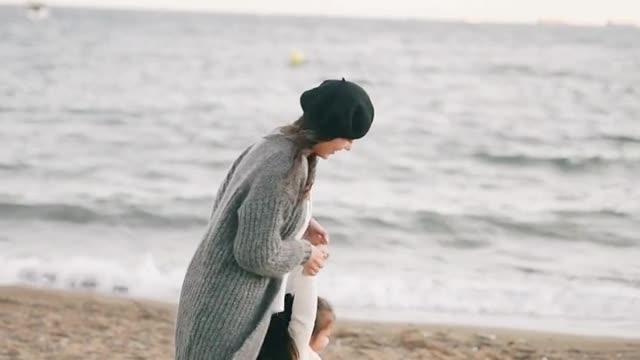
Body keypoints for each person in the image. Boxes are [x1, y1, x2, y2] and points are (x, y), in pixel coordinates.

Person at [174, 78, 374, 359]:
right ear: (331, 127)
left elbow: (244, 206)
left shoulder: (276, 144)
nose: (350, 146)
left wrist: (303, 221)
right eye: (349, 137)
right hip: (226, 305)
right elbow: (256, 253)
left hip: (212, 286)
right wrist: (307, 253)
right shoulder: (284, 168)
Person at [257, 266, 336, 360]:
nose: (327, 341)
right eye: (326, 336)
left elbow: (288, 290)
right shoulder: (298, 349)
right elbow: (304, 318)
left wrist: (301, 260)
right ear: (311, 333)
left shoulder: (264, 341)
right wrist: (308, 270)